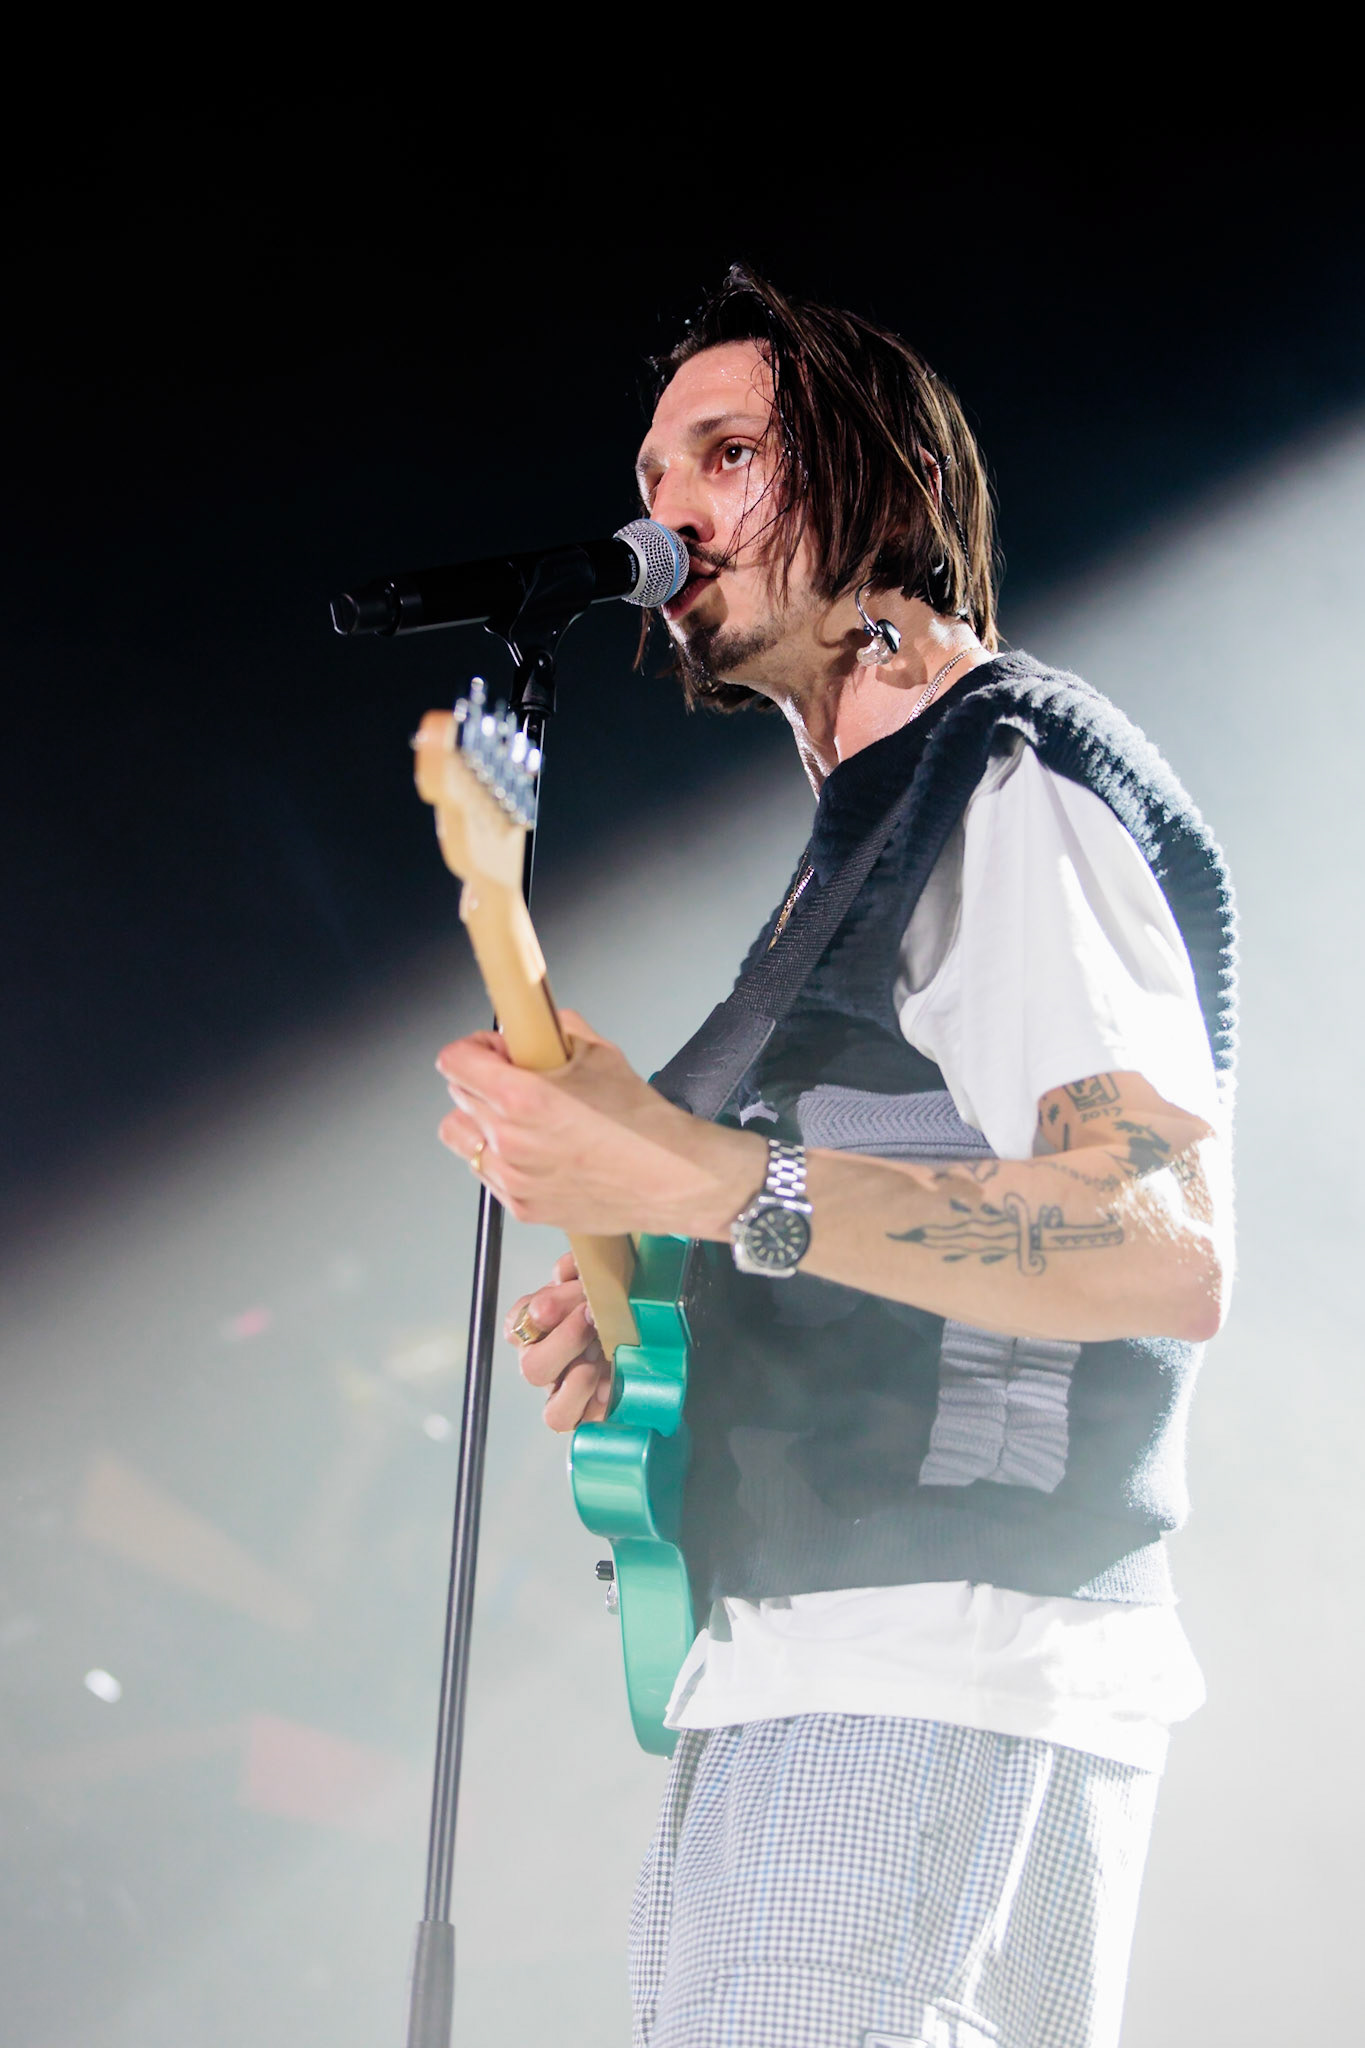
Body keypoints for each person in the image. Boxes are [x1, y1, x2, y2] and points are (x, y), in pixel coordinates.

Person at [434, 268, 1236, 2048]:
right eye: (651, 473)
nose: (667, 512)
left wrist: (711, 1186)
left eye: (728, 454)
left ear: (895, 486)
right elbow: (860, 1207)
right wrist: (664, 1316)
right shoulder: (863, 840)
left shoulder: (1006, 790)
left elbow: (1152, 1247)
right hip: (827, 1651)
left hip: (936, 1648)